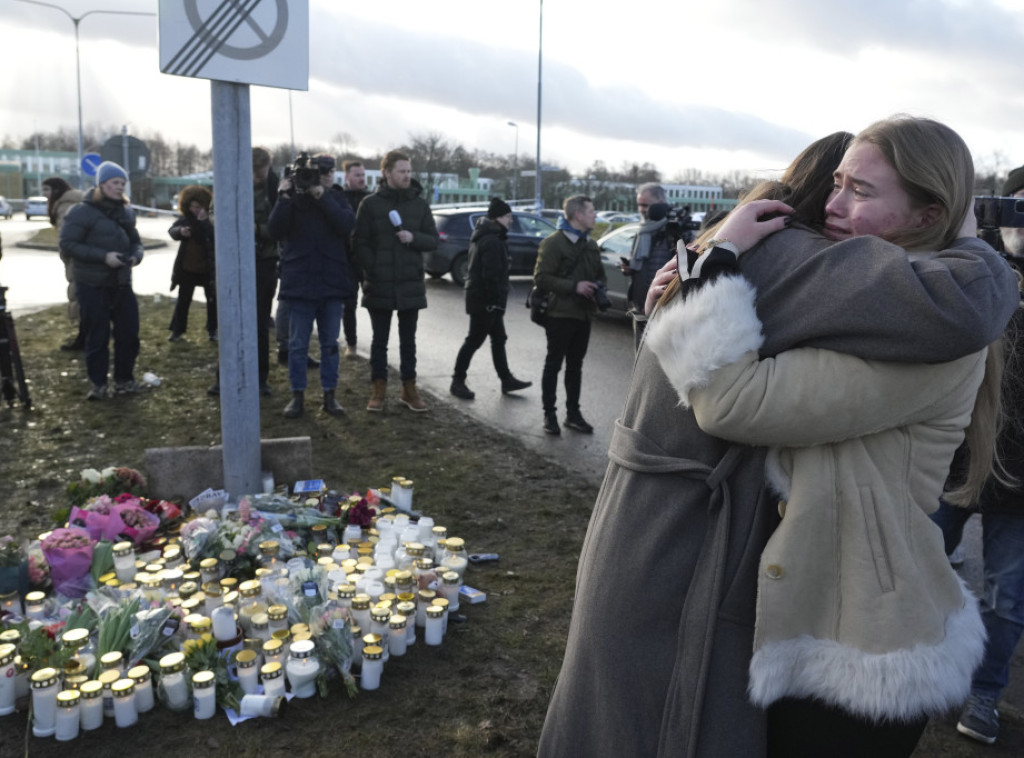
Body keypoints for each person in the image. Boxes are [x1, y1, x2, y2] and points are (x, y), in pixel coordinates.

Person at [537, 120, 1020, 758]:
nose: (834, 206)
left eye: (863, 192)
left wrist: (708, 275)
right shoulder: (878, 289)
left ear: (929, 211)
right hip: (818, 607)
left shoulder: (917, 320)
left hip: (862, 639)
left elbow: (734, 401)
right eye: (838, 185)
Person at [930, 164, 1024, 746]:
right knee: (914, 561)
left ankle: (984, 696)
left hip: (1021, 481)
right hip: (957, 458)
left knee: (1007, 597)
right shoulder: (975, 269)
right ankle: (919, 668)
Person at [268, 153, 356, 418]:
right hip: (300, 282)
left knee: (330, 343)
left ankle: (330, 395)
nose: (327, 175)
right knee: (297, 345)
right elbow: (275, 230)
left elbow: (346, 225)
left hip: (331, 282)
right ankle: (297, 396)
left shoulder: (337, 197)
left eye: (330, 171)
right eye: (321, 172)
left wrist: (322, 196)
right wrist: (283, 196)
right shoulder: (293, 200)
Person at [353, 149, 439, 412]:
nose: (406, 175)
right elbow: (359, 242)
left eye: (409, 171)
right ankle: (378, 390)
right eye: (401, 171)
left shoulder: (420, 205)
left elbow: (433, 240)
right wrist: (373, 269)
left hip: (410, 283)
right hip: (380, 283)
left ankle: (408, 389)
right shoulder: (370, 204)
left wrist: (414, 238)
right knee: (379, 341)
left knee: (408, 341)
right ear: (386, 173)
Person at [59, 161, 145, 400]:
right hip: (91, 284)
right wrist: (103, 257)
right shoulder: (81, 212)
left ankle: (124, 381)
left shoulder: (126, 212)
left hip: (121, 283)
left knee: (129, 334)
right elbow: (67, 244)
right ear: (101, 184)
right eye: (115, 183)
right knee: (97, 336)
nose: (119, 188)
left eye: (122, 184)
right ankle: (98, 385)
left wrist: (136, 256)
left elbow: (136, 242)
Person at [533, 194, 605, 436]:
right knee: (553, 364)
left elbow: (599, 275)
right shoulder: (553, 243)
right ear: (578, 215)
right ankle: (549, 415)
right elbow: (541, 278)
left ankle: (573, 414)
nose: (595, 215)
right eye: (591, 211)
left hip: (583, 315)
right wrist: (574, 287)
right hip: (559, 314)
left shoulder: (591, 245)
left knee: (576, 367)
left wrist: (597, 288)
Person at [449, 196, 532, 400]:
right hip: (485, 301)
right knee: (474, 340)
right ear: (498, 218)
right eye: (508, 217)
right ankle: (457, 381)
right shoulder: (491, 241)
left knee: (498, 339)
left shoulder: (486, 236)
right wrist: (493, 302)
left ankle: (506, 379)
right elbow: (491, 275)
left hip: (484, 299)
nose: (511, 221)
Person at [620, 182, 675, 349]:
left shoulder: (674, 229)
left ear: (661, 202)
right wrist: (631, 269)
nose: (641, 209)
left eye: (645, 205)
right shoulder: (643, 229)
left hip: (663, 309)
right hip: (640, 306)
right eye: (639, 205)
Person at [167, 185, 216, 343]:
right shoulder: (185, 219)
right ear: (188, 205)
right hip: (187, 269)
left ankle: (213, 330)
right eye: (195, 206)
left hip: (207, 269)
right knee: (183, 300)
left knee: (212, 301)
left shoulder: (211, 222)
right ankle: (177, 331)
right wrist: (180, 231)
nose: (198, 210)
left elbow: (208, 236)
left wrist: (202, 222)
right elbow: (172, 230)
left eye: (201, 206)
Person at [42, 177, 84, 351]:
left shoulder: (65, 206)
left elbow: (67, 238)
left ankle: (84, 338)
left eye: (46, 190)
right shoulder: (71, 202)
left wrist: (67, 254)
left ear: (56, 190)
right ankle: (86, 336)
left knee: (80, 297)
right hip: (78, 257)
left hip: (77, 259)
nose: (44, 194)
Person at [252, 146, 279, 397]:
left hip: (265, 260)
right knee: (231, 320)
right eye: (255, 172)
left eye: (262, 172)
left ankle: (260, 378)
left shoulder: (276, 189)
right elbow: (216, 215)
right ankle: (224, 376)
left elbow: (281, 225)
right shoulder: (229, 183)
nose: (258, 177)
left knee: (260, 322)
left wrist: (257, 230)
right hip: (236, 260)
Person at [342, 160, 370, 359]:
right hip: (346, 260)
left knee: (374, 302)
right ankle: (351, 344)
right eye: (357, 175)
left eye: (363, 175)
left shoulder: (371, 199)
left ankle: (379, 344)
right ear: (347, 177)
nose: (361, 178)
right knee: (348, 304)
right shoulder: (340, 198)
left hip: (367, 259)